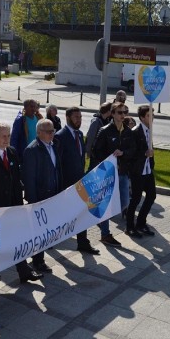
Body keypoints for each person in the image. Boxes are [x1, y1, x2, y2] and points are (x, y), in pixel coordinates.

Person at [0, 123, 43, 283]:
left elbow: (15, 180)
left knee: (17, 239)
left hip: (13, 206)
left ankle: (24, 271)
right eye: (4, 136)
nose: (7, 139)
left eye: (9, 135)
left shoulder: (12, 152)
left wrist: (19, 205)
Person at [56, 107, 99, 254]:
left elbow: (80, 158)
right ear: (68, 118)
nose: (79, 120)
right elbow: (58, 164)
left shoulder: (80, 134)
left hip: (80, 183)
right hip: (66, 185)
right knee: (62, 216)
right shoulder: (60, 136)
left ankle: (83, 243)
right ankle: (50, 241)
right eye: (76, 117)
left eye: (80, 117)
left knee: (83, 213)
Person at [92, 102, 136, 247]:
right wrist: (109, 158)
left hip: (123, 173)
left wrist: (123, 153)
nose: (123, 115)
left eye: (125, 112)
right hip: (108, 174)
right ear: (112, 114)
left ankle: (101, 220)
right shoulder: (104, 131)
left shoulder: (128, 132)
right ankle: (105, 233)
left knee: (124, 202)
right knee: (106, 204)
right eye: (119, 112)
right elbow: (96, 151)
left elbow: (133, 151)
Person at [21, 119, 61, 273]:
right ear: (38, 133)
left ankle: (40, 260)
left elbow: (57, 169)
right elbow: (29, 179)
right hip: (39, 199)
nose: (51, 134)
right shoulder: (32, 150)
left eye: (53, 131)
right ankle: (38, 262)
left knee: (46, 231)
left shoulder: (54, 146)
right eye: (48, 131)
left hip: (53, 196)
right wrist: (34, 201)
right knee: (38, 231)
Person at [125, 105, 157, 238]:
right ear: (142, 117)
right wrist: (145, 154)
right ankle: (130, 227)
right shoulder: (135, 132)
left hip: (148, 170)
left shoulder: (149, 130)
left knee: (151, 196)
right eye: (149, 115)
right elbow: (130, 153)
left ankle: (141, 223)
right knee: (136, 199)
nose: (152, 118)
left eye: (153, 115)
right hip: (137, 171)